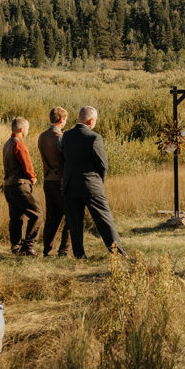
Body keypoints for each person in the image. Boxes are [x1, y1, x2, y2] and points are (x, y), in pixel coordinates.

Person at [60, 106, 126, 257]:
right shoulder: (94, 138)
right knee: (104, 220)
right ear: (90, 121)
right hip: (91, 185)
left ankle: (79, 255)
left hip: (70, 185)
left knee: (75, 223)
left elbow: (64, 158)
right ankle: (117, 252)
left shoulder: (66, 136)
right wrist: (98, 181)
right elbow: (103, 164)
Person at [2, 117, 42, 256]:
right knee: (37, 214)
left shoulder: (7, 144)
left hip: (9, 186)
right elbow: (27, 164)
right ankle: (28, 246)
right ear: (21, 129)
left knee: (16, 217)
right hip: (21, 185)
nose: (27, 131)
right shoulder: (19, 144)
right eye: (27, 129)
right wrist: (33, 177)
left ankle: (16, 247)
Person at [37, 107, 71, 257]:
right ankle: (65, 250)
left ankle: (48, 251)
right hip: (60, 180)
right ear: (62, 119)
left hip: (47, 180)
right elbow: (66, 160)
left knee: (52, 218)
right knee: (70, 215)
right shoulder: (61, 138)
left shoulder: (42, 136)